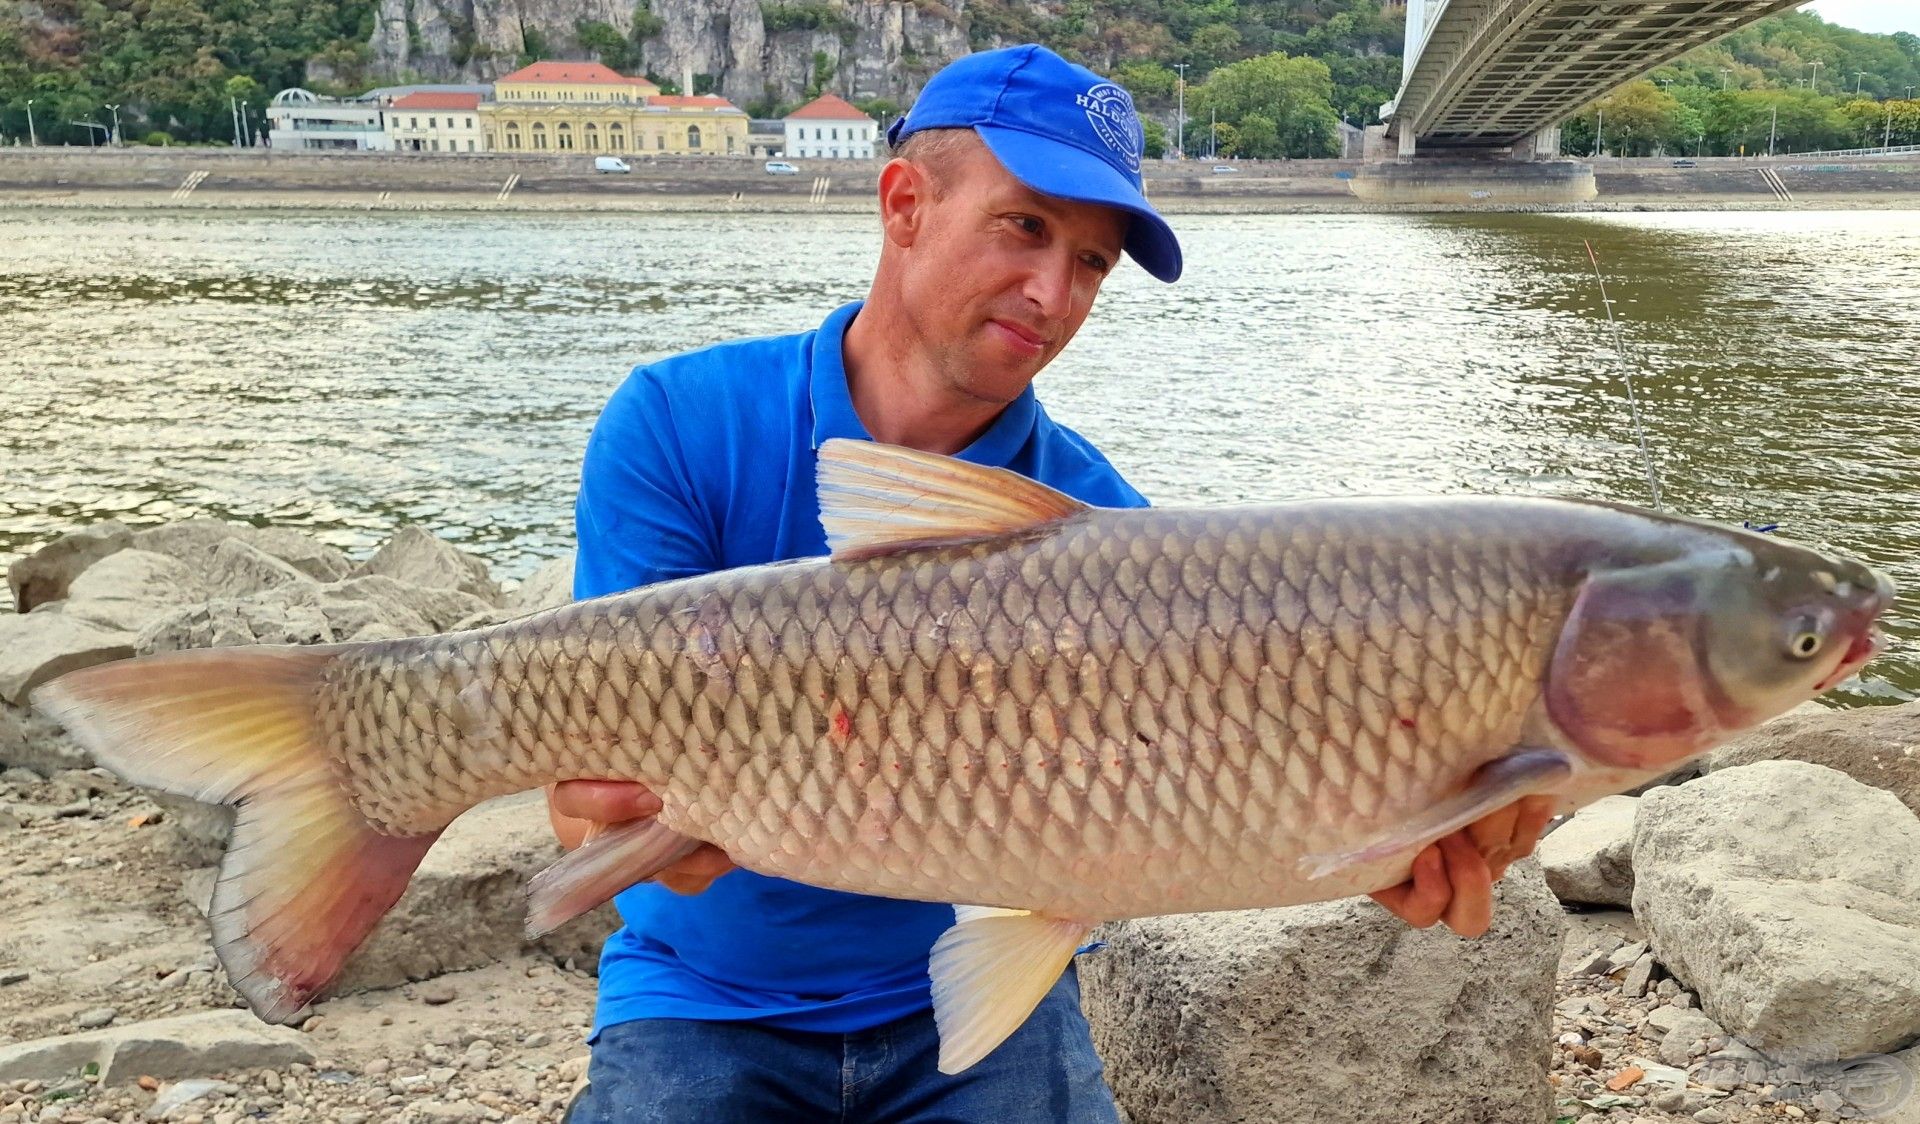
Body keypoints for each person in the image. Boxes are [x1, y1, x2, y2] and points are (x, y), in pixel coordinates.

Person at [549, 44, 1557, 1123]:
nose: (1052, 292)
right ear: (904, 204)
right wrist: (603, 819)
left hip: (986, 995)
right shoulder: (677, 419)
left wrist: (1394, 828)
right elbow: (598, 778)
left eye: (1090, 262)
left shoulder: (1109, 534)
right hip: (706, 997)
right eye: (1026, 226)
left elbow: (1214, 792)